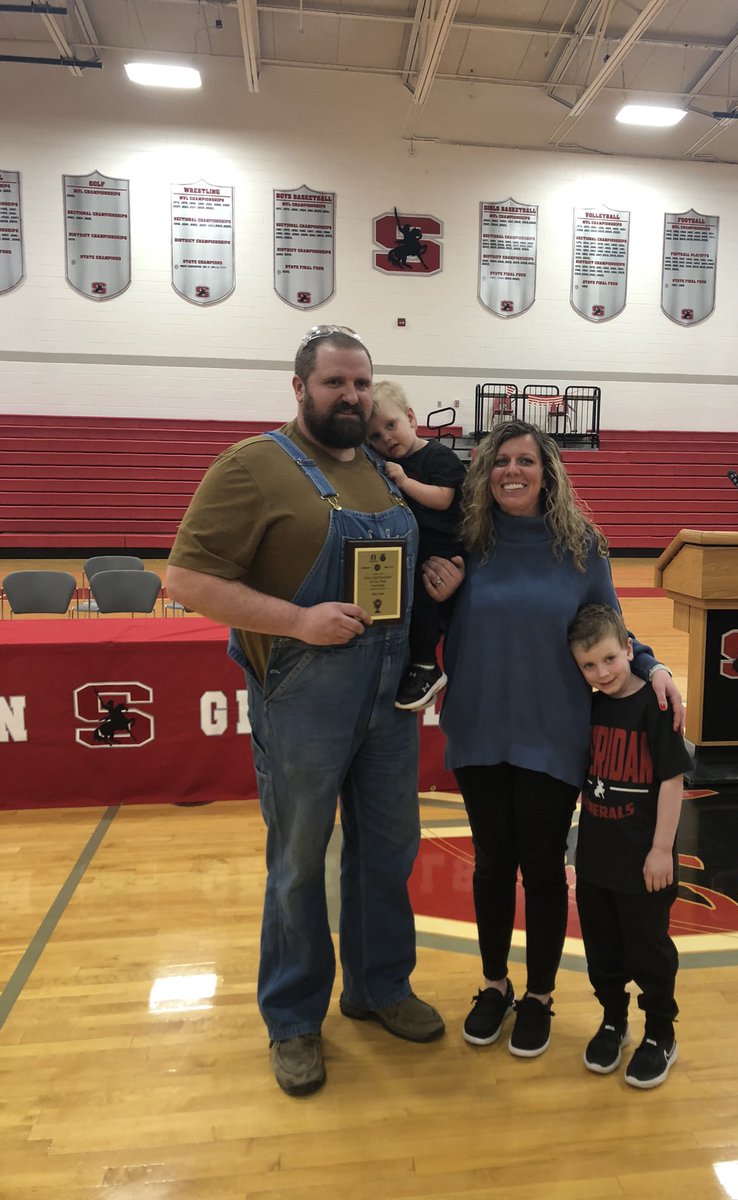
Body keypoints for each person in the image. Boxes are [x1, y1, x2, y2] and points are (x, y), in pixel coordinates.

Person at [165, 325, 444, 1099]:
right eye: (334, 384)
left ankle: (379, 986)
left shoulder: (388, 477)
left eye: (361, 384)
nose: (350, 396)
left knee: (388, 853)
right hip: (304, 699)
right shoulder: (254, 466)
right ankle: (292, 1020)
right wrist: (295, 622)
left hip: (386, 699)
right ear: (300, 389)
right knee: (296, 866)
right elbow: (185, 578)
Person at [420, 420, 684, 1059]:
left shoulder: (581, 548)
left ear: (548, 471)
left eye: (526, 461)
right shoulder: (467, 545)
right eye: (500, 461)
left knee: (541, 870)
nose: (513, 471)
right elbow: (431, 622)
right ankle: (493, 984)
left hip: (551, 733)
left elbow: (609, 628)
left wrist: (652, 666)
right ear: (486, 473)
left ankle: (538, 994)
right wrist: (444, 601)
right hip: (480, 728)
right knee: (489, 867)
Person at [568, 603, 693, 1089]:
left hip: (646, 862)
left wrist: (662, 850)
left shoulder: (656, 705)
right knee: (603, 951)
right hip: (597, 857)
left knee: (649, 951)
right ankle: (613, 1020)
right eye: (589, 665)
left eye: (609, 659)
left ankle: (661, 1032)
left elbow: (671, 780)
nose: (602, 673)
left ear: (629, 649)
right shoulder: (590, 702)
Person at [366, 380, 465, 711]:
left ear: (411, 418)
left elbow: (443, 498)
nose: (386, 438)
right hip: (416, 550)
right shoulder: (389, 464)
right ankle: (412, 662)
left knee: (426, 606)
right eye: (375, 436)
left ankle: (427, 666)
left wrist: (405, 482)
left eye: (391, 425)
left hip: (445, 550)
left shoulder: (438, 455)